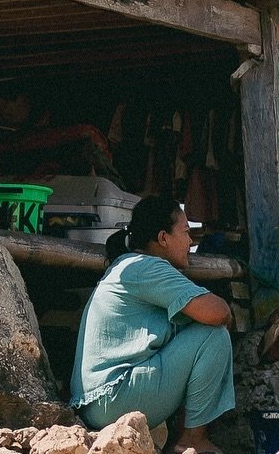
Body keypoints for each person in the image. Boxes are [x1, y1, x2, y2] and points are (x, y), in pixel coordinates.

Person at [71, 194, 234, 454]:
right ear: (162, 238)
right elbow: (218, 313)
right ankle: (191, 441)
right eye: (185, 232)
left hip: (99, 401)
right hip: (111, 398)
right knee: (213, 335)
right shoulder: (147, 267)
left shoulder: (134, 266)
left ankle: (179, 440)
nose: (191, 242)